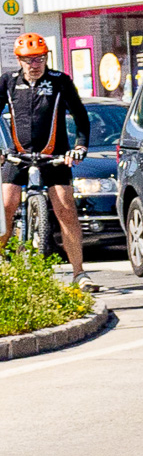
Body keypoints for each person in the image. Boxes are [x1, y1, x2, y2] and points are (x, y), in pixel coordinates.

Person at [0, 34, 95, 290]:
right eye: (29, 60)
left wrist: (79, 147)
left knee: (66, 209)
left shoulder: (60, 81)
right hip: (18, 154)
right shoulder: (8, 82)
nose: (35, 65)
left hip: (55, 155)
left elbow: (81, 117)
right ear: (19, 60)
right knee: (6, 205)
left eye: (40, 59)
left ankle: (79, 273)